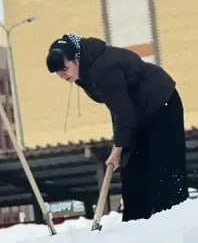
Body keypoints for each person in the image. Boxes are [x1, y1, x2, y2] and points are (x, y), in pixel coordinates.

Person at [46, 33, 187, 221]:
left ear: (76, 58)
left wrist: (119, 147)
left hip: (161, 104)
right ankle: (134, 224)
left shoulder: (102, 67)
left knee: (163, 167)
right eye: (58, 73)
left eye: (64, 68)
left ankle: (174, 219)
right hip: (137, 114)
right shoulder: (83, 72)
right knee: (132, 170)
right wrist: (120, 145)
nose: (62, 75)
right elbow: (118, 109)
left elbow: (122, 111)